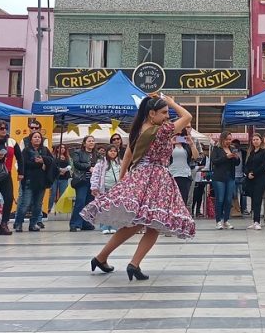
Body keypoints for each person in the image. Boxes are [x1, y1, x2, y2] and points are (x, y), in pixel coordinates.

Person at [84, 93, 195, 281]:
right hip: (157, 178)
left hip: (139, 177)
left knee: (137, 223)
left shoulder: (138, 130)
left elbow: (127, 156)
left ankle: (102, 258)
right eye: (164, 112)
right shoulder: (162, 130)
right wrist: (172, 102)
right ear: (152, 113)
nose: (167, 116)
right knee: (153, 225)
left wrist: (122, 180)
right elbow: (188, 117)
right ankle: (132, 264)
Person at [14, 131, 52, 232]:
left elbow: (52, 161)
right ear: (31, 139)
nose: (37, 139)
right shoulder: (26, 151)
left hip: (41, 181)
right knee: (25, 204)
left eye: (39, 137)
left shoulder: (45, 150)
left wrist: (43, 160)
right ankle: (18, 223)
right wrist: (39, 164)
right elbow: (23, 163)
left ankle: (33, 224)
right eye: (35, 137)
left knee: (38, 204)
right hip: (29, 180)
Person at [91, 143, 122, 234]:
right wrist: (94, 187)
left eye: (114, 151)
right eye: (111, 151)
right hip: (104, 189)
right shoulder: (101, 163)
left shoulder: (120, 162)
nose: (113, 153)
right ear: (107, 152)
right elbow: (95, 175)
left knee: (115, 208)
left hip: (116, 190)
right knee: (104, 208)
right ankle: (104, 226)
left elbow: (124, 174)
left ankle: (114, 226)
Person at [211, 131, 239, 229]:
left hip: (230, 177)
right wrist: (226, 157)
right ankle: (218, 220)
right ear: (222, 139)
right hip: (219, 177)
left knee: (228, 200)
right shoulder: (217, 149)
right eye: (226, 139)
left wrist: (236, 157)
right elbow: (214, 161)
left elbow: (237, 163)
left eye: (230, 139)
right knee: (220, 199)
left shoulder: (232, 149)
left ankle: (226, 220)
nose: (228, 141)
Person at [69, 135, 97, 232]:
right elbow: (76, 164)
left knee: (89, 203)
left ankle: (86, 222)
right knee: (80, 201)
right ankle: (75, 223)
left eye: (93, 141)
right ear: (84, 143)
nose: (91, 142)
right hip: (82, 180)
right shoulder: (78, 153)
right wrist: (89, 167)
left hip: (93, 181)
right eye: (89, 141)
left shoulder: (96, 155)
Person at [244, 134, 265, 230]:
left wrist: (254, 173)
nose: (255, 141)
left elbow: (264, 166)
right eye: (253, 139)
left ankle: (257, 221)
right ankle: (254, 220)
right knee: (253, 200)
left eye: (257, 139)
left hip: (260, 179)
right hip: (251, 180)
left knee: (258, 200)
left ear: (261, 140)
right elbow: (246, 165)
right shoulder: (251, 153)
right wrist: (247, 173)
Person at [168, 135, 196, 205]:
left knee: (183, 199)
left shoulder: (187, 145)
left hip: (185, 174)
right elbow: (162, 156)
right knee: (171, 199)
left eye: (181, 135)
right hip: (171, 174)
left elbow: (196, 157)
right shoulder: (169, 143)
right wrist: (170, 143)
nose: (178, 137)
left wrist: (192, 144)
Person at [49, 143, 71, 215]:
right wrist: (59, 169)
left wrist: (65, 169)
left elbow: (71, 165)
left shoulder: (67, 157)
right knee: (53, 193)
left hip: (64, 177)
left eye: (64, 148)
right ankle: (49, 208)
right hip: (55, 177)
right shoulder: (53, 156)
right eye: (61, 148)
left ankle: (60, 209)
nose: (62, 149)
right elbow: (52, 165)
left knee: (62, 194)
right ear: (57, 149)